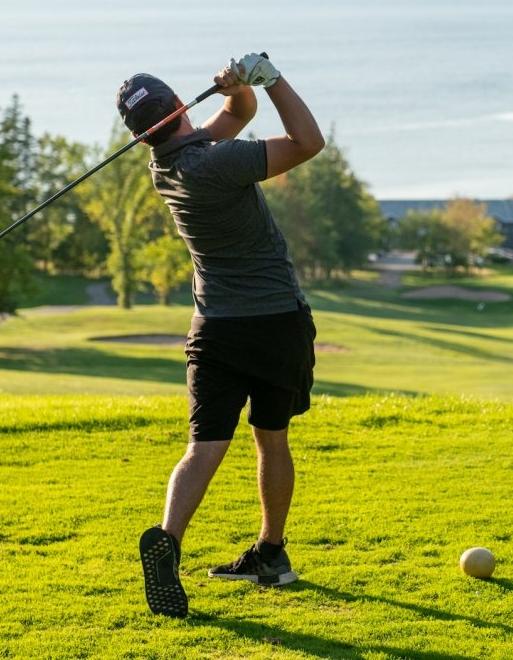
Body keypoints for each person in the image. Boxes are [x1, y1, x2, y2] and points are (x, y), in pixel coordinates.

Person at [118, 53, 324, 618]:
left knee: (202, 446)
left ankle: (170, 540)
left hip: (213, 329)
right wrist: (273, 79)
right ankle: (272, 552)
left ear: (142, 138)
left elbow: (237, 114)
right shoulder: (217, 163)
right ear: (181, 107)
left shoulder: (167, 164)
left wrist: (236, 89)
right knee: (271, 437)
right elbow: (308, 143)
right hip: (275, 320)